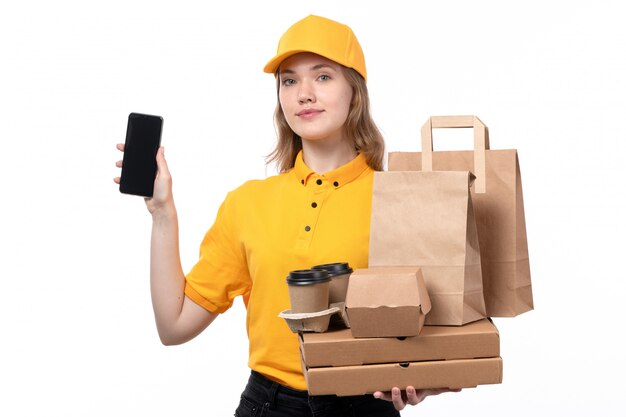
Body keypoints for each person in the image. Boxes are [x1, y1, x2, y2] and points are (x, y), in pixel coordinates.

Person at [115, 14, 457, 416]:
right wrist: (162, 214)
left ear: (355, 92)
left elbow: (447, 326)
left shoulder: (400, 198)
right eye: (289, 80)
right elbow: (173, 327)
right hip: (267, 405)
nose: (304, 94)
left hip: (365, 405)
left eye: (323, 77)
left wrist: (426, 384)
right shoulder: (247, 204)